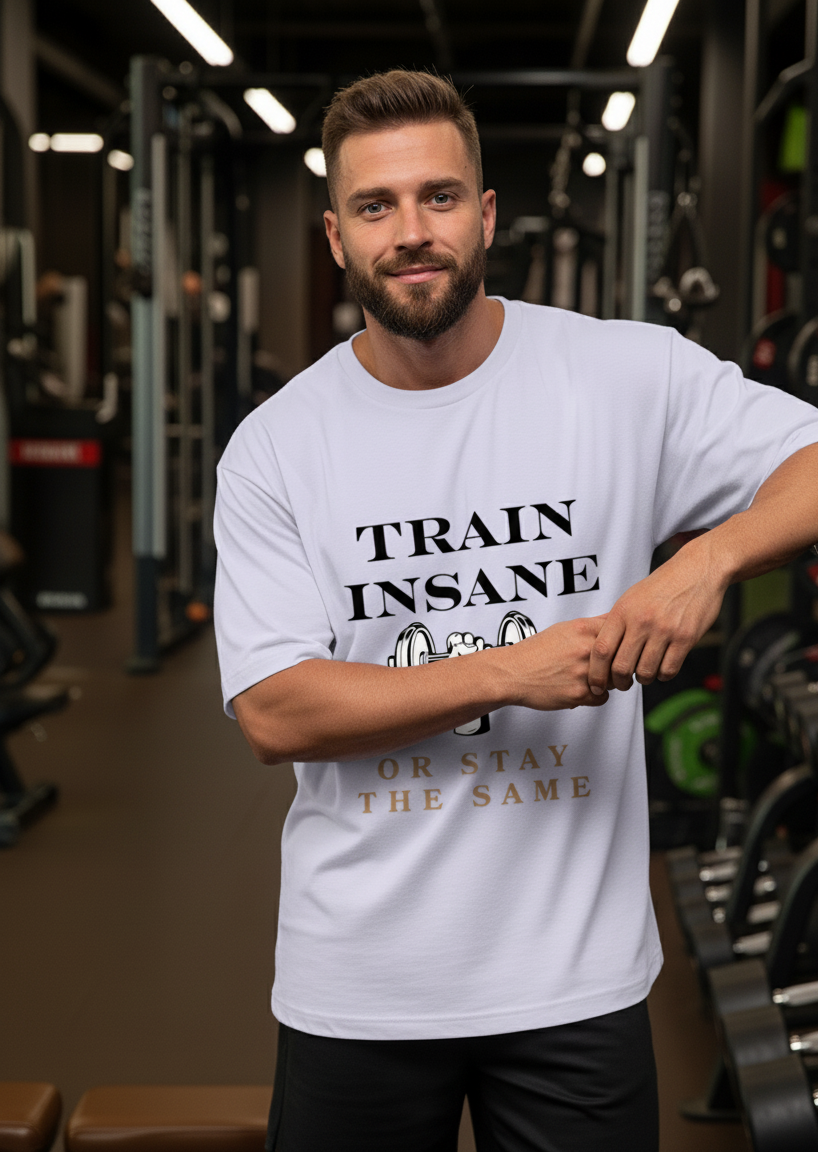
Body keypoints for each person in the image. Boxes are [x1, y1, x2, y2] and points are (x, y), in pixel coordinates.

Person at [213, 70, 818, 1152]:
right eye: (375, 207)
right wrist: (508, 670)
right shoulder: (278, 445)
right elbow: (274, 712)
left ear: (485, 214)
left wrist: (706, 559)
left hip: (571, 980)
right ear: (335, 237)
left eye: (438, 197)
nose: (410, 232)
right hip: (359, 981)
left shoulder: (622, 376)